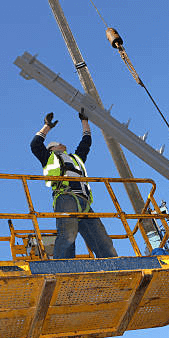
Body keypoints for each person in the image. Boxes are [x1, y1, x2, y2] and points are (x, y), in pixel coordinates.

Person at [30, 111, 117, 259]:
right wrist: (47, 127)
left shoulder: (76, 158)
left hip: (84, 202)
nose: (62, 144)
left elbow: (86, 143)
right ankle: (62, 269)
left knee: (102, 240)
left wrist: (84, 121)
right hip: (66, 197)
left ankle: (115, 267)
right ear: (52, 148)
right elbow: (35, 145)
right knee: (68, 235)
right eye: (57, 144)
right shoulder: (49, 157)